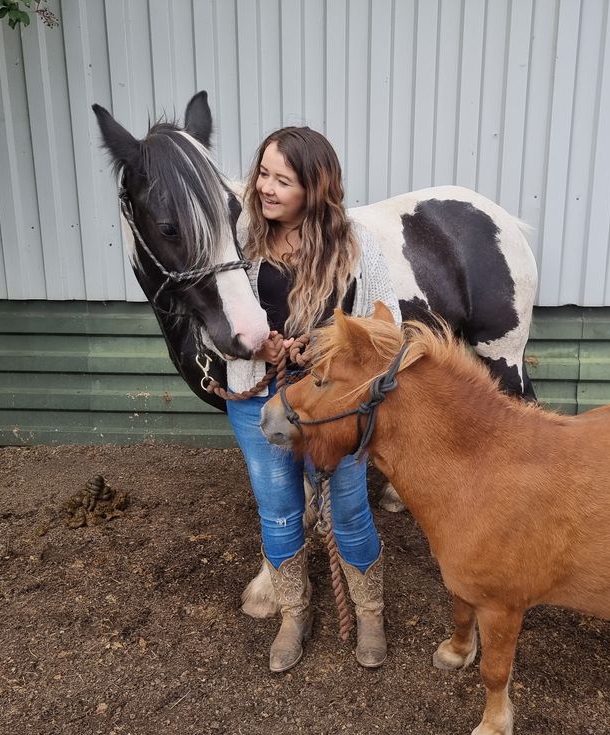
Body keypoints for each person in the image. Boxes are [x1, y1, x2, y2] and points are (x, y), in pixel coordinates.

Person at [226, 127, 401, 673]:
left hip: (331, 406)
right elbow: (212, 316)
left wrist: (318, 345)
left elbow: (385, 325)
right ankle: (293, 615)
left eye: (283, 180)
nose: (265, 189)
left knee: (348, 509)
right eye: (263, 173)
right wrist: (258, 343)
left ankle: (369, 612)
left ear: (314, 189)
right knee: (278, 513)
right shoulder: (240, 239)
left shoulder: (354, 245)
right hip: (258, 396)